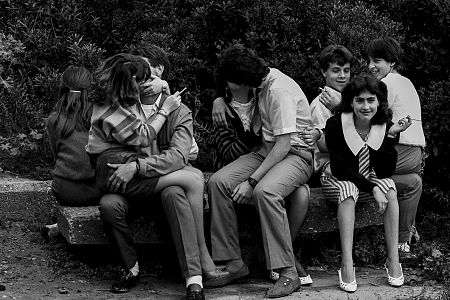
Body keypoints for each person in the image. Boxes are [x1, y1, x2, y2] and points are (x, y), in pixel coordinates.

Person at [90, 48, 227, 300]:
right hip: (120, 174)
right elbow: (142, 135)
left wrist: (138, 166)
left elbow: (177, 156)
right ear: (132, 82)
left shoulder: (176, 110)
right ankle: (131, 269)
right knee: (110, 204)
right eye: (142, 80)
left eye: (151, 79)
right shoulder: (123, 105)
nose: (146, 86)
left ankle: (194, 277)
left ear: (159, 75)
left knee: (178, 191)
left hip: (146, 177)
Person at [208, 45, 314, 298]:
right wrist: (219, 100)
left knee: (265, 192)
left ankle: (288, 272)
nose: (229, 89)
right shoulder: (258, 83)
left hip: (295, 155)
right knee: (218, 182)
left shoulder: (277, 90)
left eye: (231, 85)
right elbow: (267, 142)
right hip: (267, 151)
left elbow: (285, 145)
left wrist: (252, 182)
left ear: (244, 81)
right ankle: (234, 263)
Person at [322, 74, 410, 292]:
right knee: (350, 189)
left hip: (366, 176)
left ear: (379, 101)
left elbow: (384, 171)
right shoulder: (335, 124)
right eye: (359, 100)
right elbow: (342, 169)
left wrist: (390, 137)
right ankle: (346, 264)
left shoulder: (383, 125)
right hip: (337, 177)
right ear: (350, 101)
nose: (365, 106)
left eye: (371, 100)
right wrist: (373, 188)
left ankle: (393, 260)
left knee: (389, 187)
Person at [367, 37, 426, 254]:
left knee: (359, 170)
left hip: (402, 152)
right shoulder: (405, 81)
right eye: (369, 60)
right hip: (415, 155)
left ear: (391, 62)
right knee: (413, 183)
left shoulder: (387, 83)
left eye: (377, 61)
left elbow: (370, 116)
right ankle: (403, 240)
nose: (371, 66)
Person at [43, 66, 103, 242]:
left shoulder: (55, 119)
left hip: (64, 190)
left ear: (62, 87)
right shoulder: (101, 115)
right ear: (90, 88)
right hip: (97, 189)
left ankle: (56, 226)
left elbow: (56, 155)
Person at [309, 45, 354, 175]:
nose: (342, 76)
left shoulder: (350, 98)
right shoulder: (320, 105)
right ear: (324, 72)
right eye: (336, 70)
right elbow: (325, 145)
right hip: (329, 167)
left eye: (346, 70)